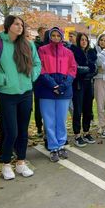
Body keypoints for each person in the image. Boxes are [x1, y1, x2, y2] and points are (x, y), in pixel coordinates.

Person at [0, 15, 41, 180]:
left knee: (23, 131)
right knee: (11, 131)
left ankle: (20, 162)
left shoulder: (29, 45)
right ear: (8, 26)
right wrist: (2, 80)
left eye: (21, 24)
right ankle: (5, 163)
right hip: (7, 95)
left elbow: (37, 63)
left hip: (25, 93)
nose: (20, 27)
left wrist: (32, 76)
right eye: (16, 24)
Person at [35, 27, 77, 161]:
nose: (55, 38)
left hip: (64, 91)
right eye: (53, 35)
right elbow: (40, 68)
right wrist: (52, 84)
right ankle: (53, 147)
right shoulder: (42, 50)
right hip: (47, 90)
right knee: (49, 120)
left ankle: (61, 144)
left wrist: (64, 85)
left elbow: (72, 69)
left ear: (62, 37)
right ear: (49, 36)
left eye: (58, 36)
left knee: (61, 120)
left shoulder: (68, 52)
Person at [70, 33, 97, 147]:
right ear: (78, 41)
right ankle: (77, 135)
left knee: (88, 109)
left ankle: (86, 132)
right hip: (78, 84)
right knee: (78, 110)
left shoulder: (91, 53)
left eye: (86, 40)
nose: (84, 42)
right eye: (82, 40)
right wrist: (88, 70)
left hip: (89, 84)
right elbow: (76, 69)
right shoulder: (74, 52)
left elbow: (95, 69)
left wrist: (87, 71)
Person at [33, 26, 48, 137]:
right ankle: (39, 127)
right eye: (42, 33)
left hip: (48, 80)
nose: (44, 35)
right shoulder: (36, 45)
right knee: (38, 104)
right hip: (38, 80)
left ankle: (47, 129)